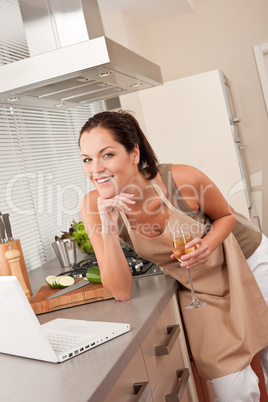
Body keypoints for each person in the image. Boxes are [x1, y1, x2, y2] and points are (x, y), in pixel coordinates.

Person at [79, 110, 268, 401]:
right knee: (231, 388)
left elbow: (226, 217)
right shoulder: (94, 206)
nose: (96, 169)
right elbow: (120, 290)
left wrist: (208, 243)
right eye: (87, 159)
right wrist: (107, 224)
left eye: (107, 155)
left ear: (133, 153)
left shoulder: (182, 177)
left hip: (250, 262)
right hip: (203, 290)